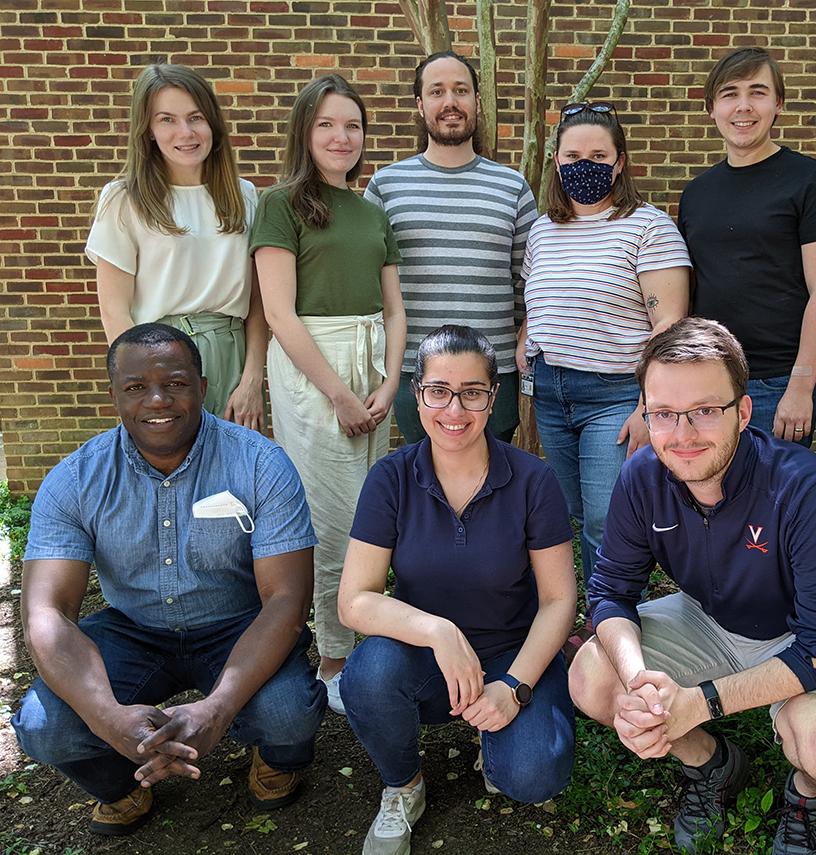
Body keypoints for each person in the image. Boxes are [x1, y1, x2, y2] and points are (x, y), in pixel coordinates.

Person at [569, 318, 816, 855]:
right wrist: (643, 682)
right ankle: (711, 763)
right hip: (707, 620)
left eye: (705, 411)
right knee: (594, 677)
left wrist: (701, 701)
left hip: (803, 635)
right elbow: (612, 590)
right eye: (663, 413)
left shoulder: (806, 487)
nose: (682, 434)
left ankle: (805, 797)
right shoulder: (642, 476)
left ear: (743, 411)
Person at [12, 324, 325, 836]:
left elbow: (287, 601)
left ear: (202, 386)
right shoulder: (74, 478)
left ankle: (275, 760)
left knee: (288, 713)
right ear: (114, 394)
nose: (158, 399)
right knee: (46, 727)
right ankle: (125, 783)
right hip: (133, 628)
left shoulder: (260, 463)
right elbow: (48, 614)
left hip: (236, 626)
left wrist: (218, 710)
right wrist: (107, 716)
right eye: (136, 387)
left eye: (175, 383)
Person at [337, 325, 576, 855]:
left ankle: (495, 738)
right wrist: (436, 630)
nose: (454, 409)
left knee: (535, 777)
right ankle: (403, 786)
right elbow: (355, 600)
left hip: (515, 652)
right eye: (438, 391)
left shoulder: (534, 480)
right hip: (425, 657)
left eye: (472, 392)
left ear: (493, 398)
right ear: (417, 395)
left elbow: (559, 600)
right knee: (368, 676)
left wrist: (513, 687)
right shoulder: (391, 477)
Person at [251, 73, 407, 715]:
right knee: (326, 510)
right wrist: (340, 394)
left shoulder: (374, 210)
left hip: (373, 365)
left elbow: (395, 309)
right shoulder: (280, 203)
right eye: (326, 125)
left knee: (372, 509)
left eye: (352, 125)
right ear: (304, 133)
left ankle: (365, 628)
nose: (341, 137)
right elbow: (280, 315)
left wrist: (392, 380)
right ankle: (333, 652)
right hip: (315, 371)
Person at [518, 101, 690, 586]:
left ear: (619, 162)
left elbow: (670, 325)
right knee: (577, 515)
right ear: (556, 162)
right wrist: (527, 346)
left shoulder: (648, 228)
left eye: (597, 155)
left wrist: (647, 406)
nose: (583, 166)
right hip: (553, 392)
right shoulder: (543, 229)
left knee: (604, 519)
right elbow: (535, 302)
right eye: (572, 156)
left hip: (614, 395)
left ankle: (609, 623)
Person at [364, 51, 537, 445]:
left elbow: (528, 286)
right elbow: (372, 286)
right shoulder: (386, 186)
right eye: (437, 91)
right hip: (414, 372)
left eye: (460, 90)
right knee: (425, 487)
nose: (450, 103)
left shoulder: (512, 188)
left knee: (494, 487)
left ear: (477, 100)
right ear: (420, 105)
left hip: (494, 374)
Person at [679, 47, 816, 446]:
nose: (743, 106)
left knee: (773, 503)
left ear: (778, 104)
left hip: (777, 382)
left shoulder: (810, 181)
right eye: (729, 93)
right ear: (712, 108)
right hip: (709, 378)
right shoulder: (697, 193)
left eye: (757, 92)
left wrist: (801, 386)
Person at [87, 64, 268, 428]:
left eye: (195, 117)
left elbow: (258, 302)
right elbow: (114, 310)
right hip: (158, 357)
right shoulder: (123, 199)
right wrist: (140, 382)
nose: (185, 132)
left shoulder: (245, 196)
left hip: (230, 356)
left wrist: (251, 380)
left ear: (212, 124)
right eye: (167, 119)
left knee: (235, 474)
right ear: (149, 130)